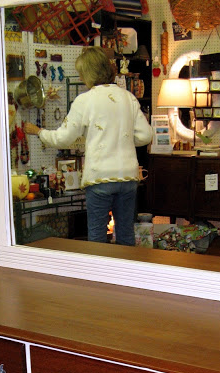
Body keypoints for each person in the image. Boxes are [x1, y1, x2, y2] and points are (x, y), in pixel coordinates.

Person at [24, 47, 152, 246]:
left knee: (97, 237)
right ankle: (123, 277)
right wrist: (122, 138)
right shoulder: (128, 98)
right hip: (127, 176)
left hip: (100, 177)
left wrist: (39, 132)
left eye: (82, 73)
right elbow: (146, 135)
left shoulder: (84, 100)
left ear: (88, 73)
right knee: (126, 235)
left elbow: (63, 138)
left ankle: (98, 277)